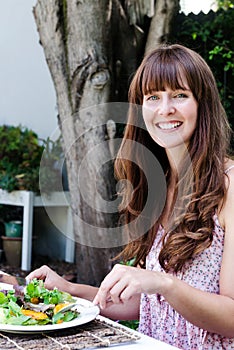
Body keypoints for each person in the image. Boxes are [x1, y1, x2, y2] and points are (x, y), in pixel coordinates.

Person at [27, 44, 234, 349]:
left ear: (203, 103)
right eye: (153, 97)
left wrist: (163, 283)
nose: (165, 109)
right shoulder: (157, 185)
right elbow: (149, 304)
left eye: (179, 94)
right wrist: (67, 291)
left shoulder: (230, 185)